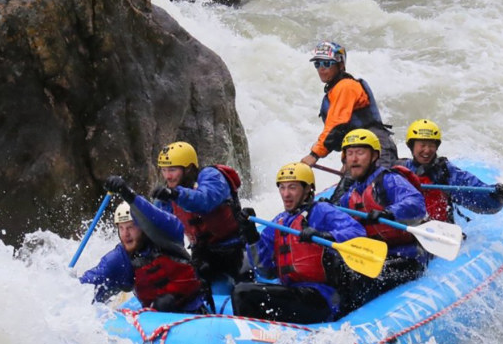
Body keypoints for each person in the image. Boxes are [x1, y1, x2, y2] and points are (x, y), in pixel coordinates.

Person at [231, 162, 367, 324]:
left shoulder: (322, 211)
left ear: (308, 189)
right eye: (282, 187)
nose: (286, 194)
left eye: (292, 187)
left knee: (243, 293)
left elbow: (358, 233)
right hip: (294, 292)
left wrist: (325, 235)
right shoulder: (280, 221)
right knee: (243, 291)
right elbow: (263, 269)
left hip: (322, 297)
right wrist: (251, 235)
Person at [79, 178, 210, 313]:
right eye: (121, 228)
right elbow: (88, 286)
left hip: (194, 305)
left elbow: (158, 216)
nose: (125, 234)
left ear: (143, 227)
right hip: (156, 318)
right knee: (164, 302)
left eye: (130, 227)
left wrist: (128, 194)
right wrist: (71, 285)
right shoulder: (120, 259)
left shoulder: (167, 237)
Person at [330, 129, 428, 305]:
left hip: (407, 256)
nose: (354, 159)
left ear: (374, 156)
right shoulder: (351, 193)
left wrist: (389, 212)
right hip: (373, 256)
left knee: (357, 281)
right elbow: (339, 222)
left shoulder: (389, 180)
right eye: (350, 153)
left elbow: (416, 203)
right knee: (338, 273)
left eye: (360, 153)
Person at [149, 141, 250, 285]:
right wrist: (130, 197)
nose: (167, 176)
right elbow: (157, 225)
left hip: (235, 247)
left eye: (172, 170)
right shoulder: (168, 197)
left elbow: (205, 200)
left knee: (246, 278)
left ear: (189, 169)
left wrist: (175, 194)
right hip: (202, 253)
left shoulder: (212, 176)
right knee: (191, 284)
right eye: (163, 170)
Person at [299, 40, 398, 170]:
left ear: (340, 65)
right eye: (317, 64)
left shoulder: (346, 87)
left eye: (327, 63)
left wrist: (314, 155)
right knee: (347, 189)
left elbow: (337, 125)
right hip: (359, 149)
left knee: (379, 186)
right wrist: (345, 159)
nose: (321, 69)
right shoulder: (336, 89)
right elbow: (344, 132)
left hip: (377, 149)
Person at [398, 119, 503, 221]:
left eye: (431, 145)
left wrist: (496, 194)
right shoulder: (400, 170)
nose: (427, 150)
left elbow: (480, 197)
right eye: (422, 145)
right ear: (411, 146)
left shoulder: (445, 172)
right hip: (408, 227)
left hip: (440, 229)